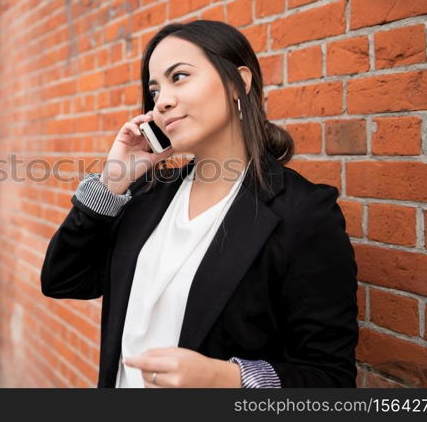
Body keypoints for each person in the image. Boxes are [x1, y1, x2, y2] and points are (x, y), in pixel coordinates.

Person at [40, 19, 358, 388]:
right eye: (155, 90)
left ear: (239, 82)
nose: (162, 101)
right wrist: (113, 181)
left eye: (179, 77)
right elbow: (63, 279)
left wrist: (229, 379)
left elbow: (329, 378)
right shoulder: (147, 197)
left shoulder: (302, 214)